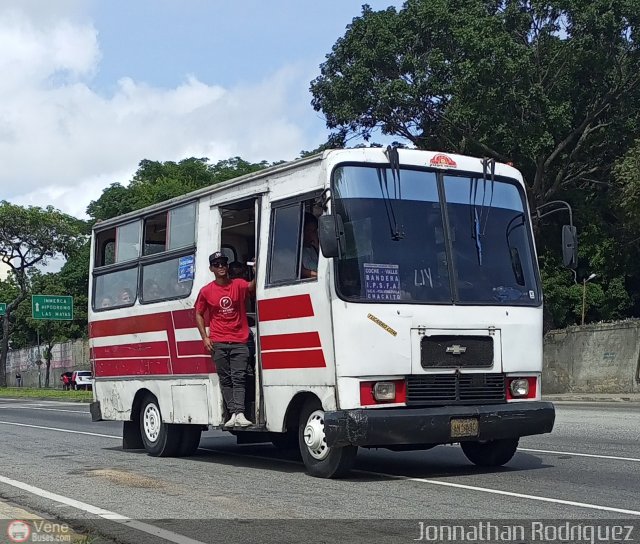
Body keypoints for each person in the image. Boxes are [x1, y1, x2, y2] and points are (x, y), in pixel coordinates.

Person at [195, 251, 256, 428]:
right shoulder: (206, 291)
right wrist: (204, 337)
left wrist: (258, 268)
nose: (221, 267)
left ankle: (240, 413)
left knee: (239, 377)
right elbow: (198, 313)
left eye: (223, 263)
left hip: (239, 339)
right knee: (225, 378)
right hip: (218, 341)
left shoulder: (238, 284)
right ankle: (232, 413)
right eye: (217, 264)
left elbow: (252, 286)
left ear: (227, 266)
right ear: (211, 268)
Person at [301, 213, 319, 278]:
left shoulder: (314, 249)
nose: (311, 234)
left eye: (314, 231)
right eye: (308, 230)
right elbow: (303, 271)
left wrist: (317, 246)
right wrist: (319, 276)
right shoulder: (297, 251)